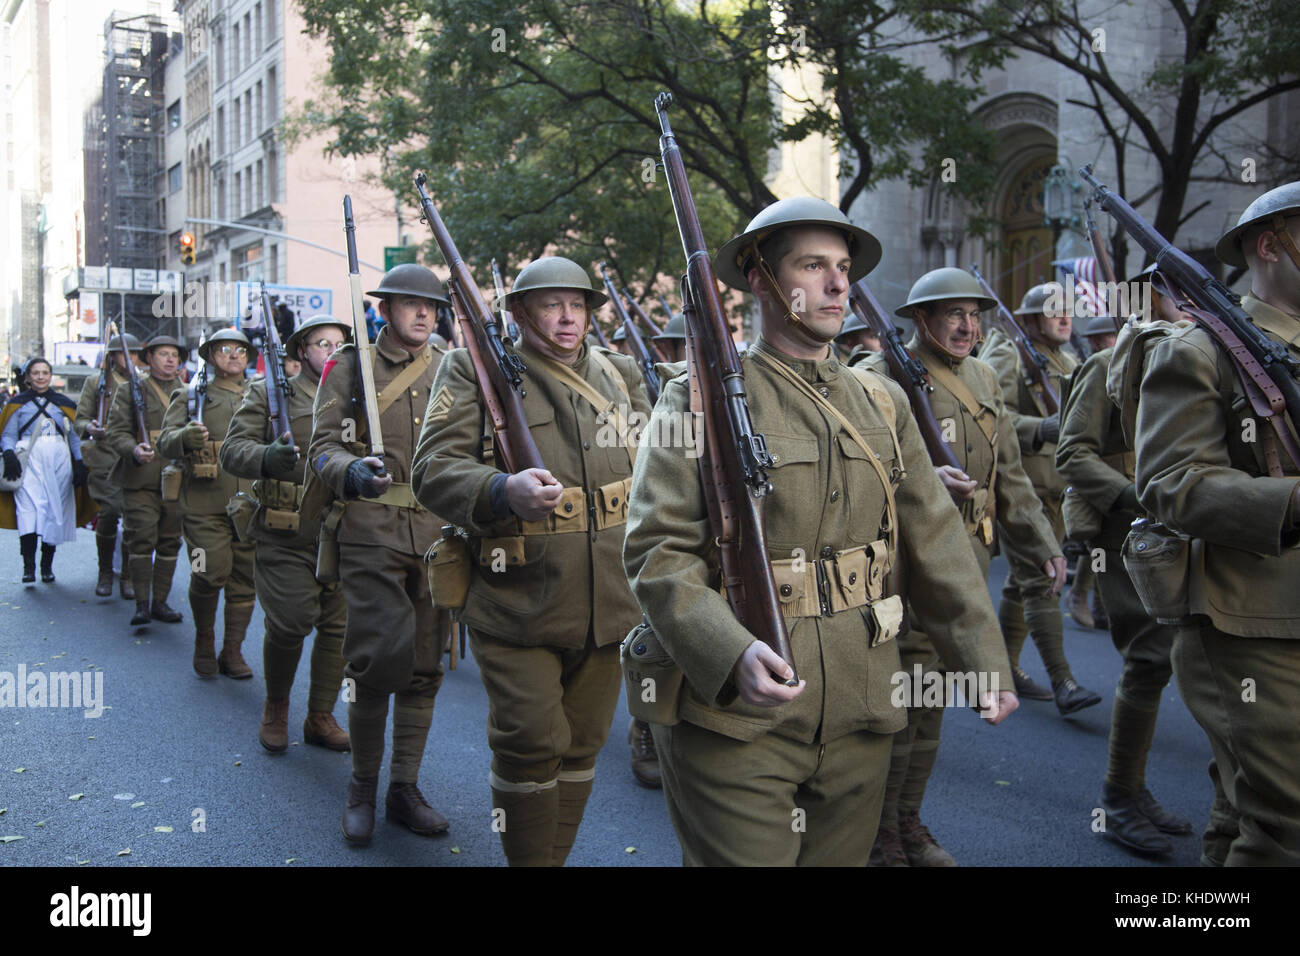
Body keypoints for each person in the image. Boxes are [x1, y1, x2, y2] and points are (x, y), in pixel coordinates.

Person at [624, 197, 1018, 866]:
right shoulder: (695, 396)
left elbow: (937, 539)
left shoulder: (882, 401)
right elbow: (658, 551)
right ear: (763, 280)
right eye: (813, 265)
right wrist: (727, 650)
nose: (839, 284)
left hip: (864, 703)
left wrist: (982, 659)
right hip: (737, 712)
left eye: (842, 267)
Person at [413, 256, 652, 865]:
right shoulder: (472, 369)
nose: (568, 318)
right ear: (518, 312)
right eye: (551, 304)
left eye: (578, 305)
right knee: (529, 742)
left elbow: (661, 470)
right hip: (516, 594)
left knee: (583, 745)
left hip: (611, 600)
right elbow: (433, 470)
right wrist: (500, 491)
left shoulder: (621, 373)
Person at [854, 267, 1064, 866]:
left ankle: (908, 821)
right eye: (954, 315)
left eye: (975, 315)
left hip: (967, 560)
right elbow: (853, 475)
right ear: (921, 320)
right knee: (905, 701)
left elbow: (1010, 476)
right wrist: (912, 480)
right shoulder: (874, 377)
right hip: (904, 564)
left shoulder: (984, 375)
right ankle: (881, 835)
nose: (969, 326)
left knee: (935, 700)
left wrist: (1041, 542)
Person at [1131, 181, 1300, 865]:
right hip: (1246, 621)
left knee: (1244, 811)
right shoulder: (1199, 350)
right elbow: (1170, 482)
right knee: (1286, 823)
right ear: (1271, 246)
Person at [307, 263, 451, 845]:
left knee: (423, 667)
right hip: (370, 528)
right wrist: (350, 470)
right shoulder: (350, 365)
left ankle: (403, 789)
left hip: (440, 534)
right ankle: (362, 786)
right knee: (375, 660)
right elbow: (321, 447)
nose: (424, 315)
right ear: (385, 309)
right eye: (412, 305)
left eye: (433, 307)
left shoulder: (453, 369)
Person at [1056, 307, 1193, 857]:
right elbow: (1073, 454)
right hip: (1124, 534)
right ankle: (1119, 799)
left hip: (1183, 532)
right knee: (1147, 658)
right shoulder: (1106, 365)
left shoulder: (1191, 365)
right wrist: (1149, 498)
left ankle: (1134, 792)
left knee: (1177, 660)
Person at [222, 314, 352, 752]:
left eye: (339, 344)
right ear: (302, 351)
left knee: (339, 627)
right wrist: (266, 457)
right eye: (322, 344)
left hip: (341, 530)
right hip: (285, 529)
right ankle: (276, 706)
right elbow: (232, 451)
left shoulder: (359, 396)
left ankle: (320, 715)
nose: (332, 351)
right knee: (291, 621)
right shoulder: (268, 393)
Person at [980, 284, 1101, 714]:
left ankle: (1006, 670)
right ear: (1029, 320)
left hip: (1061, 491)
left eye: (1068, 311)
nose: (1065, 318)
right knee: (1042, 583)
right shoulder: (1009, 354)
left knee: (1022, 583)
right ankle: (1063, 681)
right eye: (1053, 312)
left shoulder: (1068, 360)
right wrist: (1039, 428)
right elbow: (988, 413)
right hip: (1023, 494)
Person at [157, 328, 258, 679]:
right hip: (203, 501)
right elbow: (165, 443)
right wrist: (183, 437)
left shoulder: (262, 395)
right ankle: (204, 638)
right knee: (208, 570)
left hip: (250, 502)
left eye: (240, 350)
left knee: (246, 579)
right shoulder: (189, 396)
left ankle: (232, 650)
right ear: (211, 356)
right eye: (225, 349)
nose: (234, 355)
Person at [105, 334, 187, 625]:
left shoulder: (188, 392)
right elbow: (115, 433)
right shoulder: (131, 390)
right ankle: (141, 603)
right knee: (140, 539)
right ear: (148, 358)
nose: (169, 359)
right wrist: (133, 449)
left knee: (169, 542)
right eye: (163, 354)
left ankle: (160, 603)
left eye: (174, 355)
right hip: (141, 477)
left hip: (177, 479)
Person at [1, 358, 92, 583]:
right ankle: (28, 567)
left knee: (54, 510)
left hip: (58, 461)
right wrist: (9, 454)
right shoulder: (17, 403)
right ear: (28, 377)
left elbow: (73, 436)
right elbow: (8, 434)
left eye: (45, 372)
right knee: (27, 510)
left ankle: (46, 567)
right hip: (28, 460)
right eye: (36, 373)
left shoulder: (63, 403)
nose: (41, 377)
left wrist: (80, 462)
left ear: (51, 376)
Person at [74, 333, 144, 598]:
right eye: (125, 353)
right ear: (112, 356)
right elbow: (80, 420)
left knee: (134, 518)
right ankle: (105, 571)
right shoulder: (96, 383)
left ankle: (128, 574)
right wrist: (90, 427)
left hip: (134, 457)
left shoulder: (144, 383)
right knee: (109, 512)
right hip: (105, 455)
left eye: (136, 353)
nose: (130, 358)